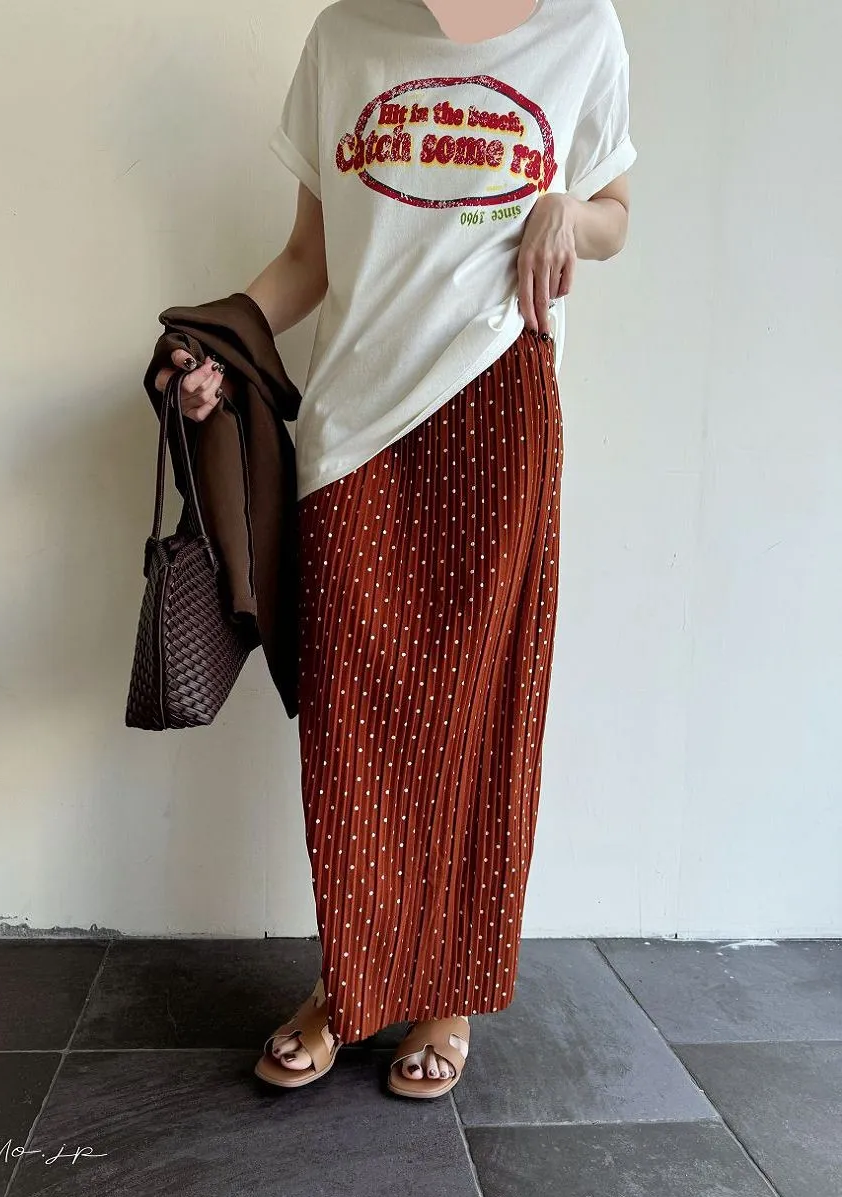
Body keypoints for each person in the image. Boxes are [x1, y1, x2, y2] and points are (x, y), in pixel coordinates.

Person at [154, 0, 636, 1098]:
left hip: (498, 401)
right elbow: (307, 258)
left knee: (477, 709)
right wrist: (223, 346)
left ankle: (446, 992)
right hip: (354, 422)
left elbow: (616, 214)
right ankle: (352, 984)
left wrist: (569, 212)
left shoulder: (580, 28)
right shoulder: (346, 35)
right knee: (350, 714)